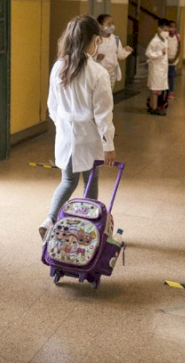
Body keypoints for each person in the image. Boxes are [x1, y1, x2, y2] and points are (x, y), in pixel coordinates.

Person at [39, 15, 117, 240]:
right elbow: (103, 114)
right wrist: (108, 144)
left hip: (65, 135)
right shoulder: (98, 72)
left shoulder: (59, 67)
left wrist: (64, 126)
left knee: (68, 180)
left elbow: (52, 106)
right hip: (89, 136)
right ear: (94, 40)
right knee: (91, 180)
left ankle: (50, 219)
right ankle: (88, 227)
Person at [94, 14, 133, 90]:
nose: (112, 26)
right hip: (98, 73)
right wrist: (96, 57)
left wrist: (126, 51)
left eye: (112, 23)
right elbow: (88, 56)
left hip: (112, 73)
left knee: (108, 96)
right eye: (109, 24)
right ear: (100, 26)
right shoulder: (96, 39)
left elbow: (119, 56)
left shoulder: (116, 39)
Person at [145, 18, 170, 116]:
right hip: (156, 68)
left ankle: (152, 105)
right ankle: (154, 107)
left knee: (157, 89)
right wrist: (160, 53)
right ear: (159, 29)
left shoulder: (165, 40)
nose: (166, 32)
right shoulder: (154, 41)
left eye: (168, 30)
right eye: (164, 30)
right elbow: (148, 53)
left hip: (162, 68)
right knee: (155, 89)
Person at [167, 20, 181, 99]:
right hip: (165, 59)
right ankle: (164, 90)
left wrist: (174, 58)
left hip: (173, 60)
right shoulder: (166, 36)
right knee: (164, 76)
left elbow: (179, 48)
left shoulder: (177, 36)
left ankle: (171, 91)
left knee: (171, 76)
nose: (172, 29)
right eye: (171, 27)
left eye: (174, 27)